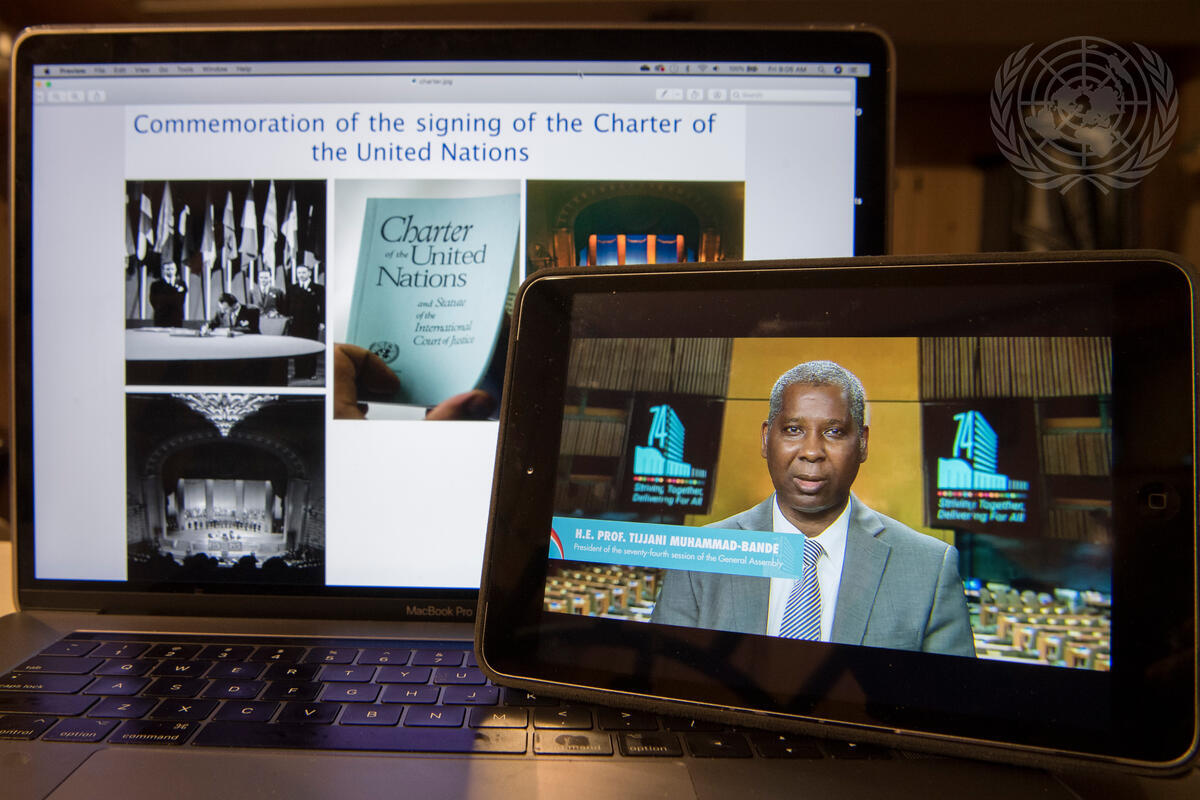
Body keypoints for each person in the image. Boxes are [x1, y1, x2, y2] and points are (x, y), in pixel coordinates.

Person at [651, 360, 976, 658]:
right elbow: (661, 681)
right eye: (793, 429)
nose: (811, 451)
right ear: (766, 438)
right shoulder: (699, 557)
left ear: (863, 443)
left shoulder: (930, 568)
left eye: (834, 432)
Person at [287, 262, 324, 379]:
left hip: (311, 322)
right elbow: (287, 306)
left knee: (311, 346)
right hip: (296, 323)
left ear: (309, 273)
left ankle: (311, 373)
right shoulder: (292, 288)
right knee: (298, 346)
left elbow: (323, 306)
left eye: (303, 272)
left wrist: (322, 322)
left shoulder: (318, 288)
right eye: (299, 273)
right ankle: (299, 372)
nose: (301, 275)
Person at [148, 262, 187, 326]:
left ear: (176, 270)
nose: (170, 271)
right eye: (168, 269)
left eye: (172, 269)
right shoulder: (155, 285)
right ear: (163, 270)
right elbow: (153, 300)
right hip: (161, 317)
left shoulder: (182, 284)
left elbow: (181, 300)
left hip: (176, 317)